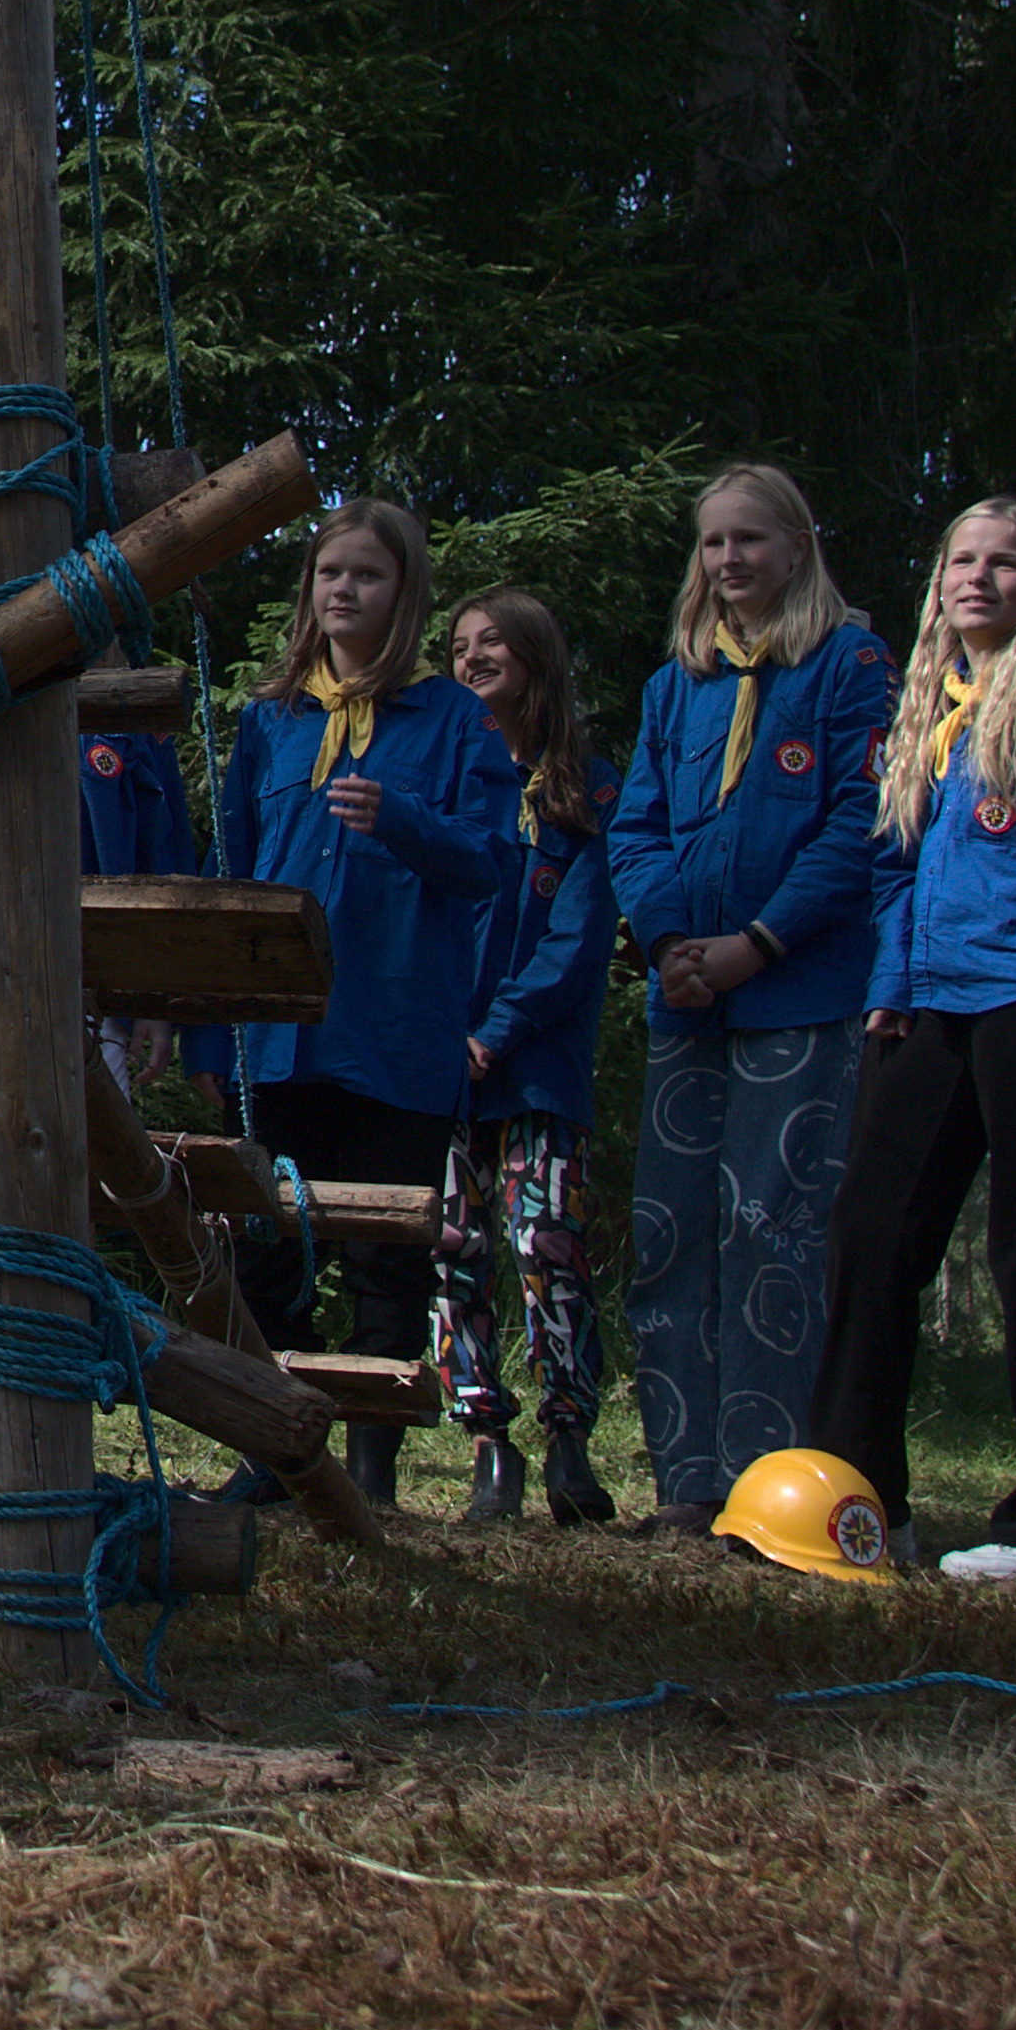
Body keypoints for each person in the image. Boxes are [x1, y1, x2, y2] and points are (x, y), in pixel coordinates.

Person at [198, 496, 515, 1502]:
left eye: (366, 575)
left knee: (383, 1261)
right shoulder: (270, 719)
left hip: (393, 1033)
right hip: (280, 1038)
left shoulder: (455, 720)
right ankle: (275, 1459)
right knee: (269, 1255)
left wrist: (403, 818)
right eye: (330, 572)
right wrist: (216, 1036)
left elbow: (490, 863)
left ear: (402, 593)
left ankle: (370, 1471)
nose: (344, 589)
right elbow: (230, 880)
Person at [813, 494, 1016, 1587]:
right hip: (927, 1000)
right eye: (961, 561)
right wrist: (890, 983)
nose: (977, 578)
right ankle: (859, 1499)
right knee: (870, 1231)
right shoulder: (932, 699)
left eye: (1006, 564)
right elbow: (897, 863)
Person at [607, 460, 892, 1534]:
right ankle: (685, 1483)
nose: (730, 563)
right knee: (673, 1229)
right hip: (689, 996)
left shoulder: (848, 663)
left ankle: (767, 1490)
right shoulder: (675, 682)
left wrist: (755, 944)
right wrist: (676, 939)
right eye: (715, 544)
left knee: (769, 1230)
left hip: (795, 992)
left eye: (751, 542)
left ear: (797, 548)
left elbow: (859, 820)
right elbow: (635, 825)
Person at [431, 586, 624, 1533]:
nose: (472, 659)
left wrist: (496, 1031)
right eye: (459, 646)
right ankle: (485, 1444)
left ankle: (568, 1441)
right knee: (451, 1250)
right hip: (439, 1062)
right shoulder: (445, 778)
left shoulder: (590, 788)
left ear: (535, 658)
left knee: (548, 1248)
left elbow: (579, 940)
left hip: (536, 1062)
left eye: (492, 643)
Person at [0, 702, 194, 1125]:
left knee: (97, 1149)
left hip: (92, 987)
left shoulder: (123, 706)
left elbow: (163, 855)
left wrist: (156, 996)